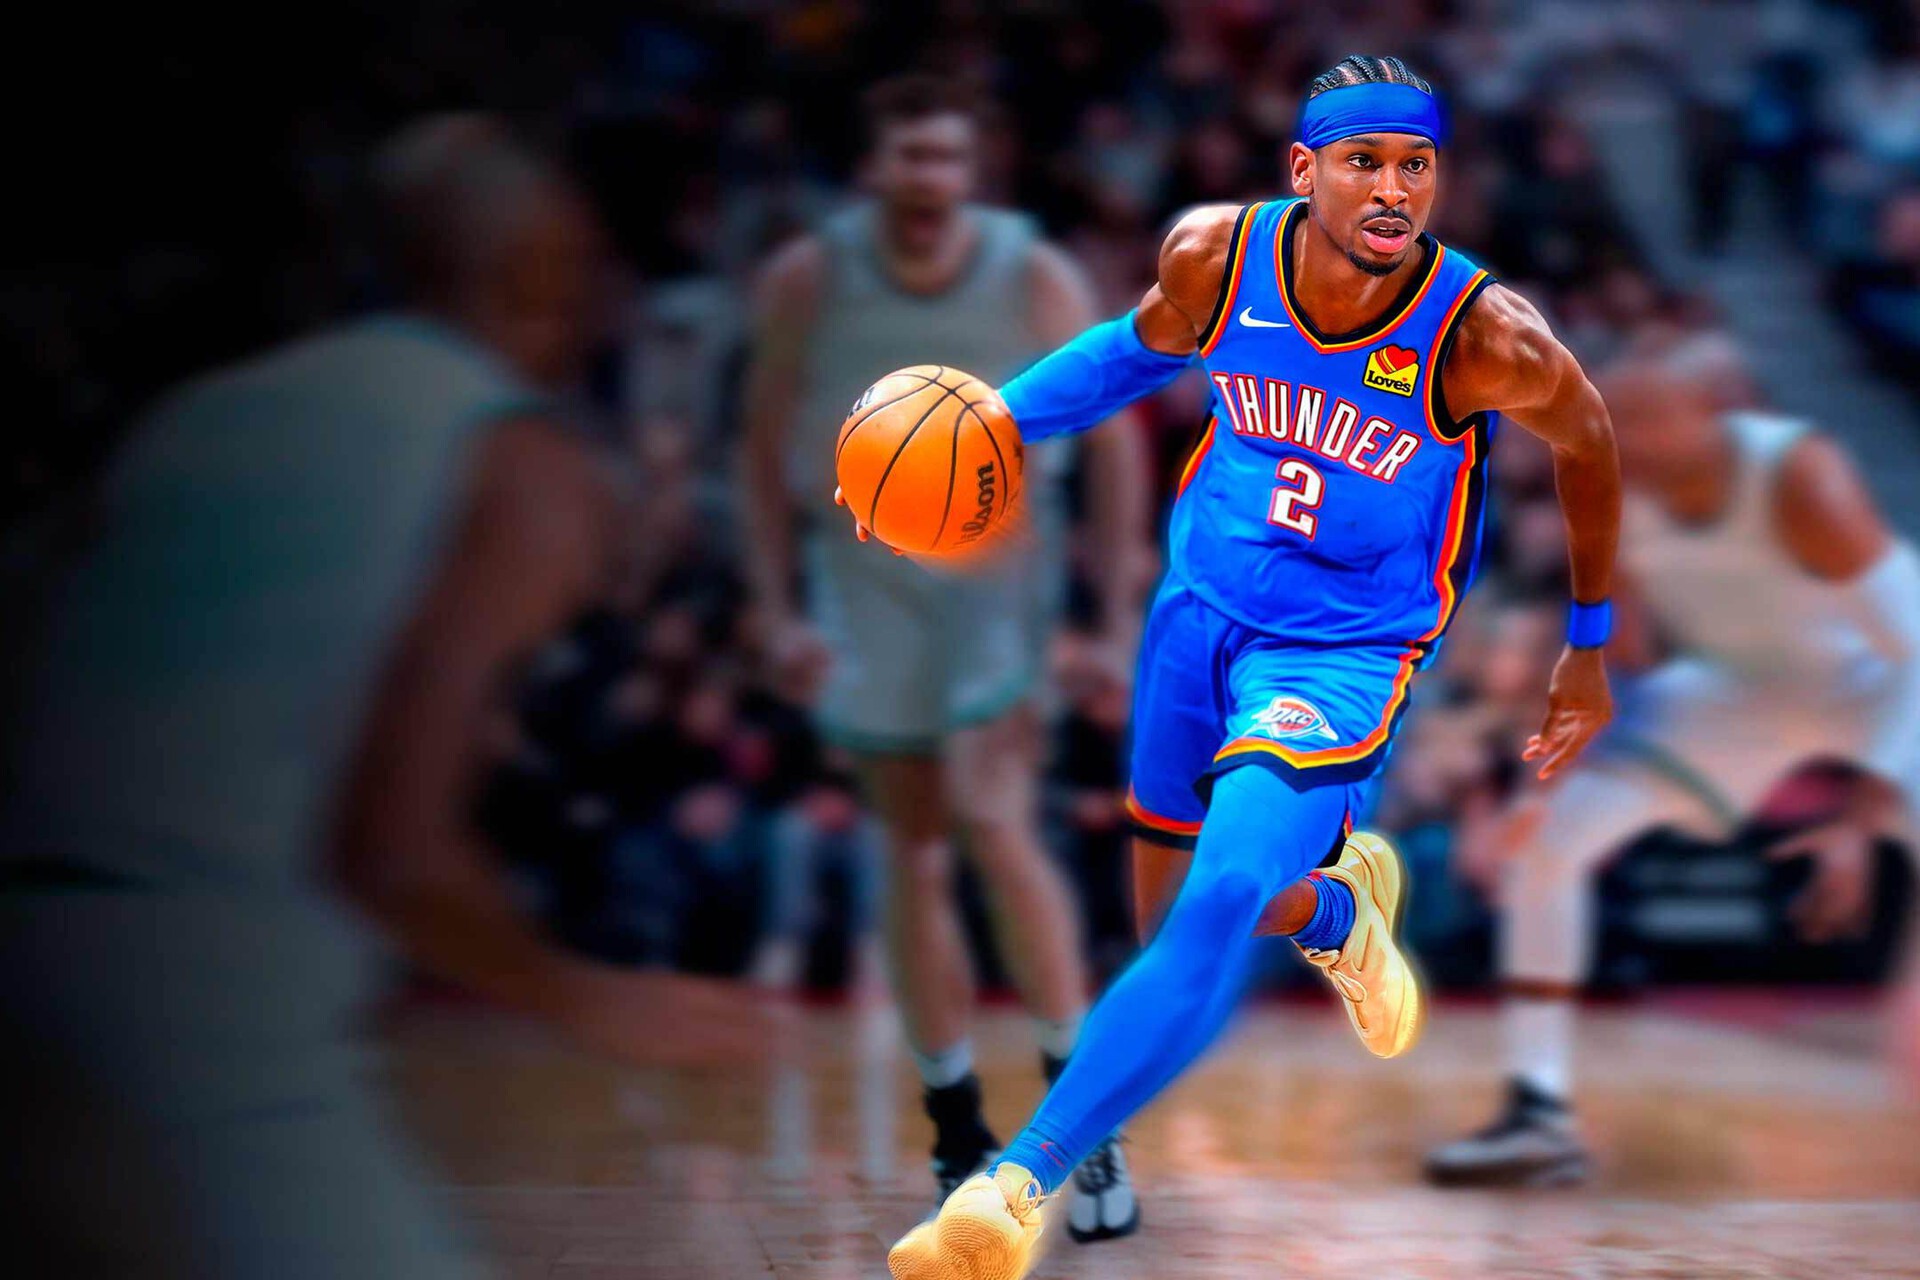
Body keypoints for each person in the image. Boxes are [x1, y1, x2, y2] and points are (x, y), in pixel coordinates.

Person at [864, 55, 1622, 1280]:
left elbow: (1588, 442)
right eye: (1365, 162)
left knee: (1215, 898)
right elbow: (1131, 352)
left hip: (1343, 650)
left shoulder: (1484, 336)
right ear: (1304, 169)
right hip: (1198, 611)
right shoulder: (1218, 258)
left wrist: (1588, 642)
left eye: (1416, 166)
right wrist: (997, 418)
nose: (1393, 190)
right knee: (1178, 915)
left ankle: (1013, 1189)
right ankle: (1337, 909)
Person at [0, 115, 768, 1277]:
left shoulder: (188, 420)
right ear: (539, 273)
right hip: (199, 1000)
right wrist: (588, 996)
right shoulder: (522, 461)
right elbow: (391, 853)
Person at [741, 75, 1153, 1240]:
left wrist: (1113, 615)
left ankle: (1084, 1126)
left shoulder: (1032, 274)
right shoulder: (808, 279)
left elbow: (1116, 444)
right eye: (909, 156)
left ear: (973, 176)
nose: (930, 178)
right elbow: (760, 446)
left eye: (948, 159)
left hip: (1000, 575)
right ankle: (957, 1128)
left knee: (992, 815)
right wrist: (775, 608)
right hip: (865, 578)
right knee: (911, 850)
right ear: (871, 170)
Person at [1426, 332, 1920, 1187]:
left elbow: (1912, 651)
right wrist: (1533, 796)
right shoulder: (1610, 488)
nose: (1631, 438)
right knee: (1548, 846)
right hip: (1741, 694)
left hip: (1881, 683)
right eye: (1617, 418)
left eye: (1651, 417)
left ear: (1716, 412)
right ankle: (1539, 1113)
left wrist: (1859, 821)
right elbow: (1616, 669)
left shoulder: (1802, 476)